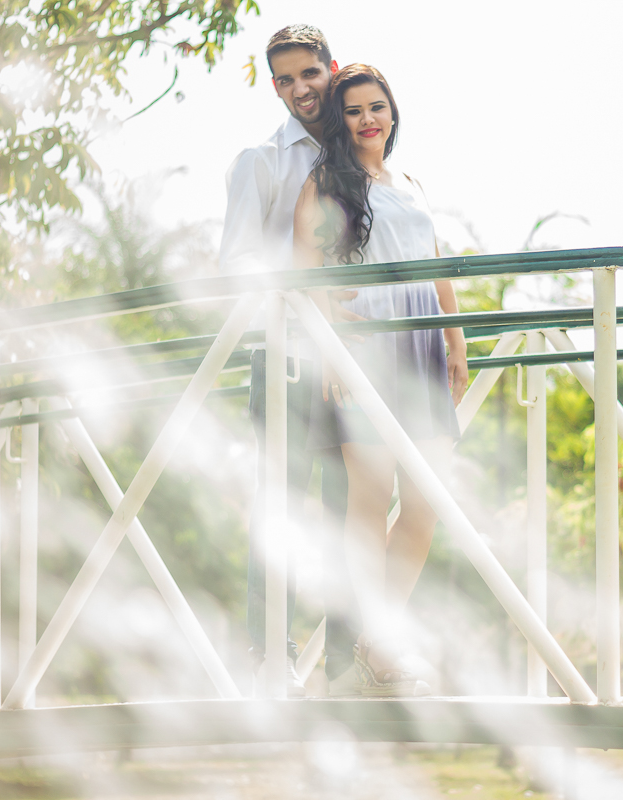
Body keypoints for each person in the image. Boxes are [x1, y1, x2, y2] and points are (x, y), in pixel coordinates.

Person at [293, 64, 469, 696]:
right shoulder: (326, 182)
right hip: (365, 351)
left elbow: (434, 260)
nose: (369, 119)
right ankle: (381, 646)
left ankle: (376, 638)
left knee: (426, 504)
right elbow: (302, 269)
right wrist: (333, 346)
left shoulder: (411, 181)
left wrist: (456, 338)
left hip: (423, 347)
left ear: (393, 111)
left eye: (378, 107)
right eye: (355, 111)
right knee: (370, 505)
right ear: (340, 122)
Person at [219, 25, 361, 697]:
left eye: (310, 73)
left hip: (358, 362)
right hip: (287, 358)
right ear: (273, 85)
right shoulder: (262, 161)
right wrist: (301, 303)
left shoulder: (360, 147)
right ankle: (268, 655)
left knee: (352, 512)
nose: (301, 89)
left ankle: (346, 664)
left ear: (330, 69)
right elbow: (238, 263)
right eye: (285, 79)